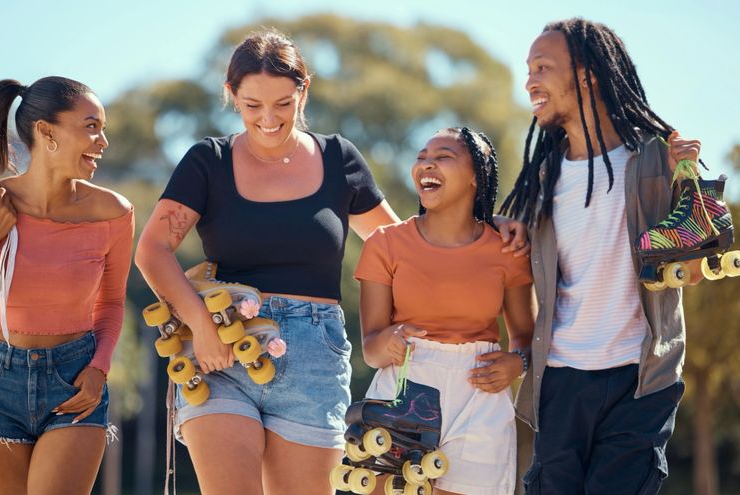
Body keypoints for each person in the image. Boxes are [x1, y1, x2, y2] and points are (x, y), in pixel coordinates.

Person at [135, 29, 530, 495]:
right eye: (252, 104)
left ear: (304, 91)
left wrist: (487, 225)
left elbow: (407, 243)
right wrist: (199, 325)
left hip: (315, 355)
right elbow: (152, 250)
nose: (268, 118)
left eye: (283, 103)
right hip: (223, 349)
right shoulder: (208, 161)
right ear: (232, 96)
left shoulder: (339, 159)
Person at [500, 18, 704, 494]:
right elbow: (523, 273)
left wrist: (688, 182)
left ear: (588, 73)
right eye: (528, 68)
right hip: (562, 379)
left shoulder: (656, 157)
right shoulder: (542, 178)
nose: (530, 80)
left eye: (543, 67)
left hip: (640, 378)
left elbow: (693, 270)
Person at [0, 77, 134, 495]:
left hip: (75, 382)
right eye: (91, 126)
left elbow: (111, 302)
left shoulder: (113, 212)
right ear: (46, 132)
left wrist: (98, 369)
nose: (102, 140)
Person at [354, 127, 535, 495]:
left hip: (480, 397)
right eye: (421, 157)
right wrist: (389, 340)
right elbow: (371, 349)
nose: (426, 165)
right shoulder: (384, 244)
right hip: (403, 388)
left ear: (475, 176)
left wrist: (518, 363)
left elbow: (527, 337)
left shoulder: (506, 249)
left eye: (443, 157)